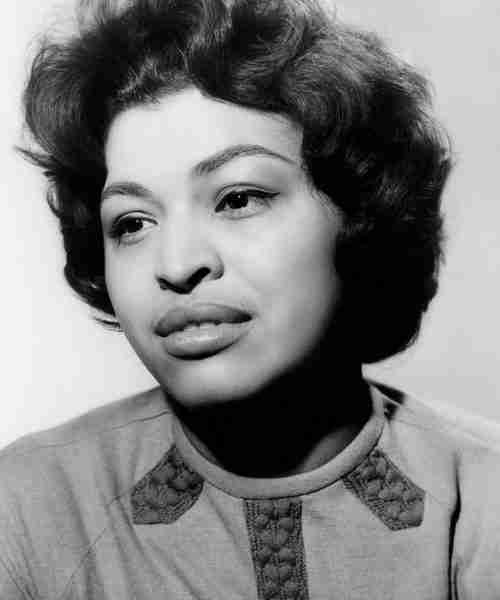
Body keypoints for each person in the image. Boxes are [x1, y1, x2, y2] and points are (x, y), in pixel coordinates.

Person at [2, 0, 500, 597]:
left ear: (360, 218)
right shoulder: (28, 506)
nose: (177, 265)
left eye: (238, 198)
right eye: (132, 223)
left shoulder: (483, 497)